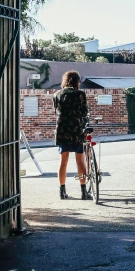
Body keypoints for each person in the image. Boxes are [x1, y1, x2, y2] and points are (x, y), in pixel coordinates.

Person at [52, 70, 90, 200]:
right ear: (77, 82)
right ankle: (83, 191)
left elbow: (56, 112)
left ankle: (62, 190)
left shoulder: (56, 94)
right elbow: (84, 112)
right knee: (80, 162)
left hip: (62, 131)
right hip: (76, 131)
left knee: (63, 162)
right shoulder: (80, 94)